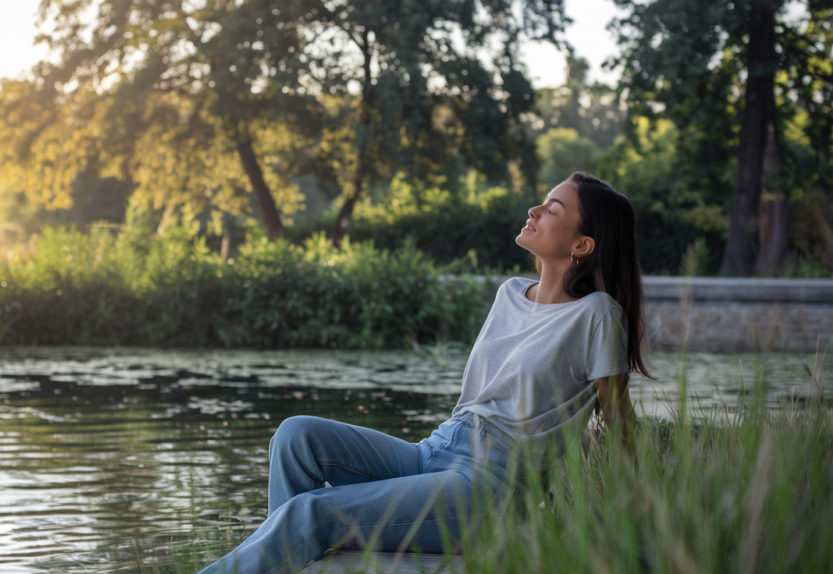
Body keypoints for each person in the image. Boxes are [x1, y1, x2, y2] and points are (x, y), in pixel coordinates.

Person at [198, 171, 650, 574]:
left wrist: (641, 518)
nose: (534, 210)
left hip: (487, 487)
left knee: (312, 514)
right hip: (436, 450)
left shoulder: (597, 314)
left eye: (553, 209)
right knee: (296, 436)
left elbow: (619, 421)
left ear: (582, 245)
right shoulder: (510, 293)